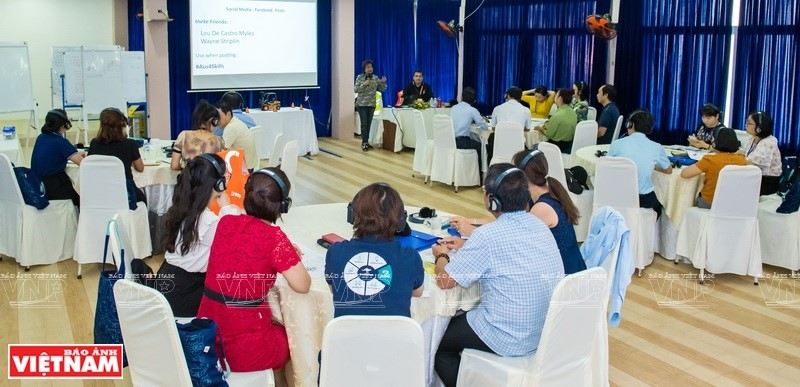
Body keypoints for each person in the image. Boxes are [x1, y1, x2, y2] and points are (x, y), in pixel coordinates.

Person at [432, 164, 564, 387]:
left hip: (509, 336)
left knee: (440, 347)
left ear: (492, 200)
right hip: (546, 331)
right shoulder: (538, 225)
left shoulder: (487, 236)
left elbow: (445, 282)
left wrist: (441, 256)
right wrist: (467, 246)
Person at [197, 167, 310, 378]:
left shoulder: (225, 222)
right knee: (295, 339)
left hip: (207, 334)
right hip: (244, 349)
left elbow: (245, 248)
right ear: (283, 206)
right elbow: (303, 285)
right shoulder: (275, 238)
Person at [159, 153, 241, 317]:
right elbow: (236, 243)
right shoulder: (208, 220)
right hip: (182, 296)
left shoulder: (183, 206)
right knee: (238, 293)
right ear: (218, 184)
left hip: (168, 284)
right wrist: (226, 208)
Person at [325, 183, 424, 318]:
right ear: (400, 220)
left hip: (347, 338)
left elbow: (333, 289)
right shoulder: (410, 256)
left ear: (352, 215)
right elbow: (418, 292)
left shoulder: (335, 252)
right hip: (396, 338)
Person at [608, 110, 672, 216]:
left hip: (618, 196)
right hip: (643, 199)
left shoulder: (616, 144)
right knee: (659, 207)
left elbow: (608, 166)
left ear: (630, 125)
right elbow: (668, 170)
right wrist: (654, 167)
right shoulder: (656, 147)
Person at [87, 107, 146, 204]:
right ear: (121, 124)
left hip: (101, 192)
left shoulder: (94, 143)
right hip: (125, 192)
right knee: (142, 200)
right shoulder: (130, 144)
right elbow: (140, 168)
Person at [681, 128, 748, 208]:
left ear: (715, 143)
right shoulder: (742, 160)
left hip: (710, 202)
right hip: (733, 203)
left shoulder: (710, 160)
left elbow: (685, 174)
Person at [30, 109, 84, 206]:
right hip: (53, 186)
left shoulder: (41, 137)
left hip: (37, 184)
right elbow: (82, 163)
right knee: (81, 199)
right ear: (63, 124)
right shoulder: (61, 142)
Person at [171, 100, 225, 170]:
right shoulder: (219, 141)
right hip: (209, 180)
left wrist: (185, 170)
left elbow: (174, 166)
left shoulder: (183, 135)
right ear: (214, 121)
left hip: (188, 180)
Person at [487, 87, 531, 164]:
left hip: (500, 144)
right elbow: (528, 129)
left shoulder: (498, 108)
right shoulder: (526, 110)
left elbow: (494, 128)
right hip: (518, 145)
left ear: (508, 95)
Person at [742, 111, 782, 195]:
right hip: (755, 176)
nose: (746, 125)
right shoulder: (752, 138)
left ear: (759, 127)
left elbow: (750, 162)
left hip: (767, 181)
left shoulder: (768, 142)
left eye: (749, 123)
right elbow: (742, 152)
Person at [451, 87, 489, 175]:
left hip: (451, 140)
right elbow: (484, 126)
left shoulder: (454, 108)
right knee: (481, 146)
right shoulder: (472, 110)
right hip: (461, 142)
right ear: (474, 100)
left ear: (462, 97)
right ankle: (479, 175)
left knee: (474, 140)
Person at [354, 59, 387, 152]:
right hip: (361, 104)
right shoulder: (360, 77)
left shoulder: (375, 78)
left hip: (371, 104)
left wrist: (383, 82)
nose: (370, 69)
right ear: (364, 69)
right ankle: (364, 142)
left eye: (371, 67)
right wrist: (364, 84)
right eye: (368, 67)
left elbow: (382, 89)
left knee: (368, 124)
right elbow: (356, 89)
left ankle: (366, 142)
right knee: (364, 123)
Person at [217, 100, 258, 172]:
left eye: (219, 117)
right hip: (249, 166)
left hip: (243, 170)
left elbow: (221, 151)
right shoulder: (236, 121)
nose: (217, 120)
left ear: (228, 114)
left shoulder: (231, 127)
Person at [533, 88, 578, 153]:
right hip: (569, 145)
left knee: (535, 146)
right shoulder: (573, 112)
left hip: (556, 146)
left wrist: (540, 129)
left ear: (560, 98)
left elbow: (549, 134)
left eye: (556, 95)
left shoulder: (557, 115)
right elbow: (562, 127)